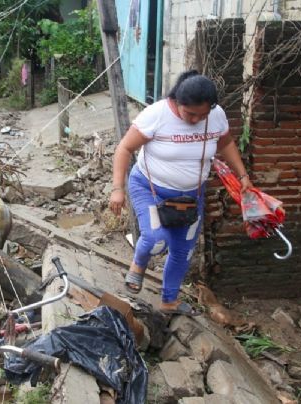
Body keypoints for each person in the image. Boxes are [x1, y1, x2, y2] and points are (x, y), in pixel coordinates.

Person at [109, 70, 253, 316]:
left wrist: (243, 176)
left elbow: (226, 143)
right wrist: (117, 189)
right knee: (156, 240)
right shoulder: (156, 115)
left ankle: (169, 300)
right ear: (177, 102)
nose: (196, 120)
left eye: (202, 115)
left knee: (183, 249)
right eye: (190, 114)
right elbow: (125, 148)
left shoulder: (216, 117)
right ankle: (139, 262)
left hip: (190, 197)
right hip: (149, 189)